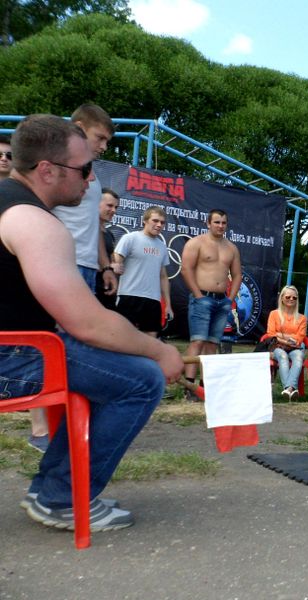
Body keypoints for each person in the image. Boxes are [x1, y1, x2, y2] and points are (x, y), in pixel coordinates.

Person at [0, 114, 183, 531]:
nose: (90, 179)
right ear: (46, 170)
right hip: (11, 357)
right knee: (142, 379)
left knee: (110, 367)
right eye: (84, 169)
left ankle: (51, 489)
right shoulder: (35, 223)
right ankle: (62, 498)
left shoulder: (8, 203)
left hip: (16, 347)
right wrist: (160, 351)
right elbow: (87, 323)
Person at [0, 132, 49, 452]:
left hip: (21, 298)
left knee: (39, 351)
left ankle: (40, 429)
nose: (3, 159)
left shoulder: (27, 201)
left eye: (8, 155)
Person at [51, 104, 117, 294]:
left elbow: (92, 224)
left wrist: (105, 266)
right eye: (100, 138)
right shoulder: (53, 162)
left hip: (88, 266)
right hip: (61, 263)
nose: (104, 146)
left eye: (107, 141)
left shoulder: (91, 173)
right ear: (79, 128)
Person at [180, 209, 242, 391]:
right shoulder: (196, 243)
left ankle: (205, 387)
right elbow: (186, 269)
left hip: (222, 301)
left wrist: (230, 299)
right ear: (208, 223)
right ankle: (189, 387)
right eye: (216, 222)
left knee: (212, 344)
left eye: (223, 223)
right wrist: (198, 295)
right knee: (197, 341)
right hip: (202, 298)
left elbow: (237, 275)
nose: (220, 226)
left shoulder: (231, 248)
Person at [111, 206, 173, 337]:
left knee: (151, 338)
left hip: (153, 299)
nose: (159, 225)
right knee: (123, 337)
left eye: (162, 222)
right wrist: (114, 265)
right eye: (155, 221)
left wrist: (168, 305)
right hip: (129, 295)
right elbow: (116, 260)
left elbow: (163, 277)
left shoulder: (162, 246)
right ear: (144, 220)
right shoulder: (130, 238)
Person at [263, 285, 308, 400]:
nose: (291, 299)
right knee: (282, 356)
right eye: (288, 296)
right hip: (278, 347)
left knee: (298, 357)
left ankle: (288, 389)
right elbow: (271, 334)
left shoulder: (302, 318)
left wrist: (281, 335)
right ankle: (291, 389)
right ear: (282, 298)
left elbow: (299, 339)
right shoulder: (274, 314)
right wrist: (288, 339)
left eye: (294, 298)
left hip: (296, 348)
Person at [95, 188, 120, 308]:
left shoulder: (109, 234)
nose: (113, 210)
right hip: (87, 287)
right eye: (109, 205)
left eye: (116, 207)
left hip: (106, 291)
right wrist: (107, 267)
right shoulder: (85, 229)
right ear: (96, 203)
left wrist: (115, 267)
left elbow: (112, 261)